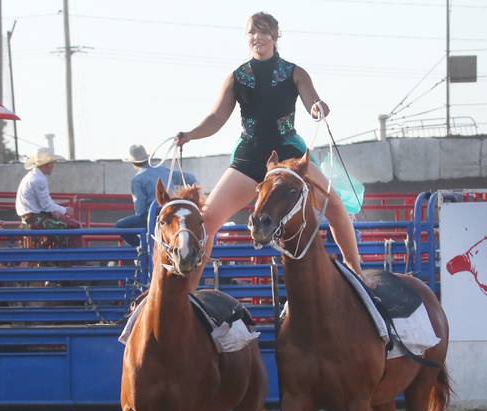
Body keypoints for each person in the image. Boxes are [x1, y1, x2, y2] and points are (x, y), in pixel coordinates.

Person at [175, 11, 364, 285]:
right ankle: (188, 291)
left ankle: (357, 275)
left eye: (263, 32)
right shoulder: (236, 77)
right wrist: (190, 134)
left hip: (290, 158)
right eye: (252, 32)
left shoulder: (294, 72)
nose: (257, 37)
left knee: (335, 207)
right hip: (249, 158)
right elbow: (216, 119)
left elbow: (314, 101)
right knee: (207, 221)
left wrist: (317, 107)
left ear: (275, 36)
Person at [116, 144, 198, 247]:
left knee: (120, 226)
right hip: (172, 211)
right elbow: (191, 178)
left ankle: (143, 246)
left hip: (154, 214)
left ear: (133, 163)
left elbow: (140, 210)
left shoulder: (137, 180)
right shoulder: (163, 170)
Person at [15, 147, 82, 248]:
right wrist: (65, 210)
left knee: (65, 226)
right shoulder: (39, 179)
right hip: (34, 218)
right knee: (72, 227)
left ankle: (52, 255)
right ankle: (68, 258)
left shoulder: (33, 176)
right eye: (52, 163)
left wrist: (55, 211)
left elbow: (44, 204)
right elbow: (46, 205)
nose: (53, 166)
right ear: (46, 164)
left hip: (30, 216)